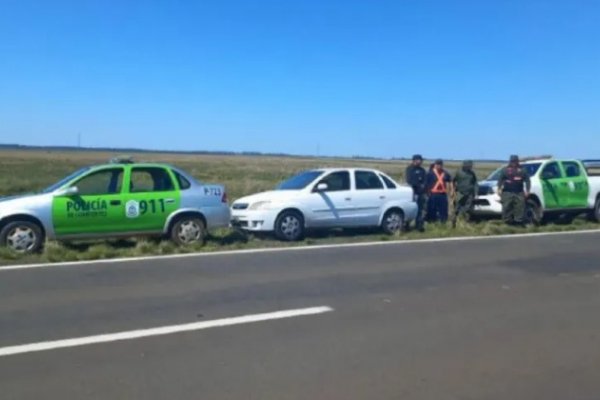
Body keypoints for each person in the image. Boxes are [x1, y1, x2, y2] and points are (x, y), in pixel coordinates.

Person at [498, 155, 531, 226]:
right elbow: (500, 179)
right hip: (507, 191)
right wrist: (499, 188)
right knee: (506, 206)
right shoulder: (505, 170)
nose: (513, 163)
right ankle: (507, 222)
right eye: (512, 161)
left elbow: (527, 180)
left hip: (519, 191)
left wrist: (527, 190)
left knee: (520, 207)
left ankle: (518, 222)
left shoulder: (522, 170)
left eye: (515, 161)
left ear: (517, 161)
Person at [452, 160, 478, 227]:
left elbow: (475, 183)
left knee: (468, 208)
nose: (471, 167)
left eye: (471, 165)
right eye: (469, 165)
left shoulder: (472, 173)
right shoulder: (458, 172)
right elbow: (453, 181)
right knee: (457, 208)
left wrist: (476, 193)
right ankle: (454, 222)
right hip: (460, 193)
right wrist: (453, 190)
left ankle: (466, 222)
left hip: (470, 194)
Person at [405, 154, 428, 232]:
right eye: (419, 160)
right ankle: (407, 225)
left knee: (420, 210)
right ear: (415, 160)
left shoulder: (422, 170)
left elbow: (425, 180)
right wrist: (418, 185)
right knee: (411, 209)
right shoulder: (409, 169)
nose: (421, 161)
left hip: (421, 193)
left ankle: (419, 225)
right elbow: (409, 181)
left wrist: (423, 186)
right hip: (413, 193)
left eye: (421, 160)